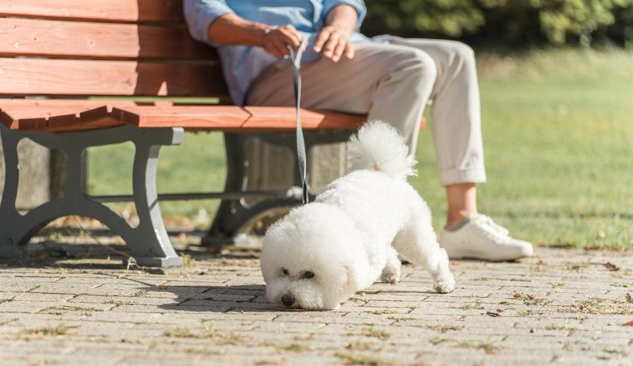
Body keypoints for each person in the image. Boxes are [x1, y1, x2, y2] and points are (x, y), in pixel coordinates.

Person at [183, 0, 534, 261]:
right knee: (413, 67)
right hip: (275, 70)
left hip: (343, 52)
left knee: (456, 56)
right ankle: (369, 226)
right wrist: (260, 34)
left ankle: (461, 221)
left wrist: (339, 27)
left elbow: (345, 3)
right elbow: (204, 16)